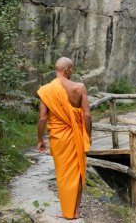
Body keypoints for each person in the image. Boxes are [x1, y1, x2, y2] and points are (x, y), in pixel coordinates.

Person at [36, 57, 92, 219]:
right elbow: (87, 115)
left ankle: (66, 211)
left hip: (58, 138)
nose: (72, 72)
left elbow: (42, 118)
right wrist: (87, 135)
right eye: (72, 69)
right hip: (77, 135)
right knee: (78, 172)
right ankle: (75, 211)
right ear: (67, 70)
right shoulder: (79, 87)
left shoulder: (46, 90)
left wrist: (40, 139)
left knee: (63, 174)